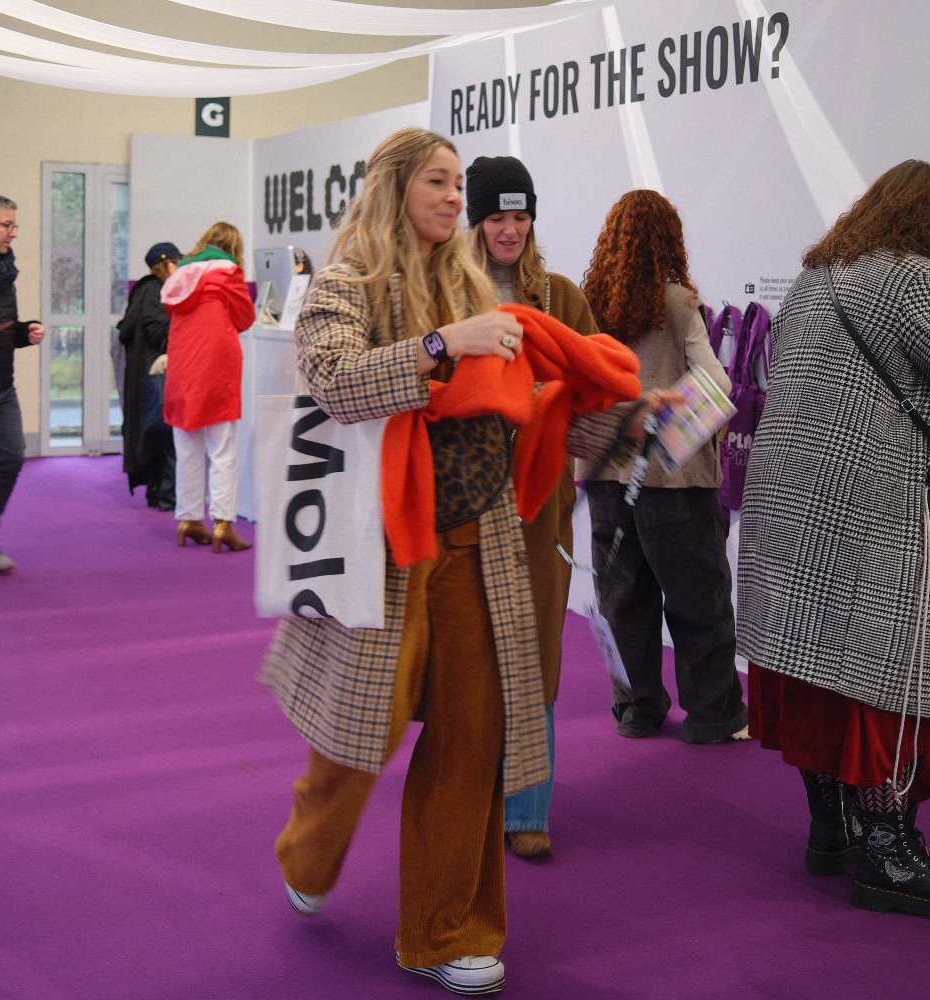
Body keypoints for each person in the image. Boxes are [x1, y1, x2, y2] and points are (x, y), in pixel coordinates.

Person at [259, 127, 658, 996]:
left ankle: (444, 932)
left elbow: (527, 409)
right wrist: (446, 346)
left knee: (472, 743)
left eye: (456, 184)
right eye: (438, 182)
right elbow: (331, 381)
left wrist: (629, 423)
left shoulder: (473, 284)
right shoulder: (348, 280)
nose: (455, 198)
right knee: (359, 738)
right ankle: (308, 845)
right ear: (396, 186)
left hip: (482, 546)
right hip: (384, 552)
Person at [737, 160, 930, 918]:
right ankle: (890, 855)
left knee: (815, 670)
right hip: (869, 508)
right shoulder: (908, 280)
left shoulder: (815, 276)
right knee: (888, 678)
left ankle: (831, 828)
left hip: (790, 504)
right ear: (927, 221)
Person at [579, 190, 748, 745]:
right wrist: (668, 435)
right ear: (670, 239)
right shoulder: (678, 303)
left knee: (624, 600)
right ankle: (712, 714)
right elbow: (717, 383)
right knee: (698, 599)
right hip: (675, 483)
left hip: (606, 476)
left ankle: (639, 708)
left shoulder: (587, 304)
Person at [466, 154, 598, 860]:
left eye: (520, 217)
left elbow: (594, 386)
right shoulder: (447, 297)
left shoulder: (564, 298)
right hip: (465, 500)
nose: (509, 230)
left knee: (537, 651)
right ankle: (468, 793)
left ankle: (527, 810)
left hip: (542, 503)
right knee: (470, 654)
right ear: (476, 222)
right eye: (496, 217)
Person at [161, 222, 255, 552]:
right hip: (217, 368)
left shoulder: (178, 275)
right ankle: (223, 523)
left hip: (183, 367)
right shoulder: (228, 272)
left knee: (187, 446)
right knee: (222, 449)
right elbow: (245, 317)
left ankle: (188, 519)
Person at [0, 193, 44, 577]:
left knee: (11, 457)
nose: (13, 234)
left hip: (1, 387)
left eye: (14, 226)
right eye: (7, 225)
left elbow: (2, 324)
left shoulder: (5, 270)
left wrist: (25, 332)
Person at [118, 241, 180, 510]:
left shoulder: (144, 290)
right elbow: (161, 333)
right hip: (156, 375)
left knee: (153, 434)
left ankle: (158, 493)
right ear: (168, 264)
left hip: (144, 376)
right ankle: (167, 495)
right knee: (166, 436)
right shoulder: (158, 291)